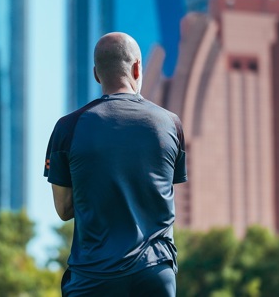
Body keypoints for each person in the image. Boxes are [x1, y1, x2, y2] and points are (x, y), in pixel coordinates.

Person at [44, 32, 187, 296]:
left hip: (93, 277)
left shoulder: (67, 127)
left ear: (97, 74)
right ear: (136, 68)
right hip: (155, 273)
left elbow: (63, 209)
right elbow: (163, 190)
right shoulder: (170, 124)